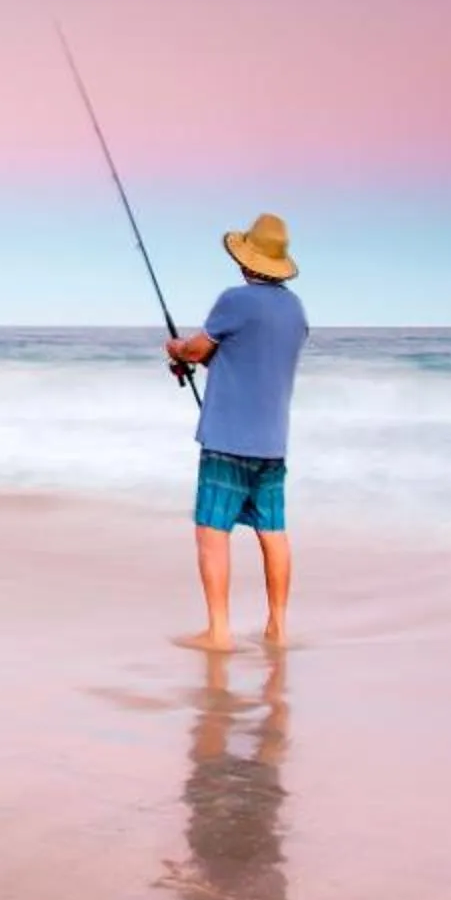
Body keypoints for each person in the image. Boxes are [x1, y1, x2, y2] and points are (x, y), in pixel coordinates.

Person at [165, 212, 308, 650]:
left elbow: (196, 348)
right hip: (272, 444)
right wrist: (204, 361)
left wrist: (176, 350)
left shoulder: (235, 300)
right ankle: (278, 628)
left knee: (212, 530)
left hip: (228, 440)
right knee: (274, 532)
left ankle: (220, 631)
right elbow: (250, 360)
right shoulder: (296, 311)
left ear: (247, 260)